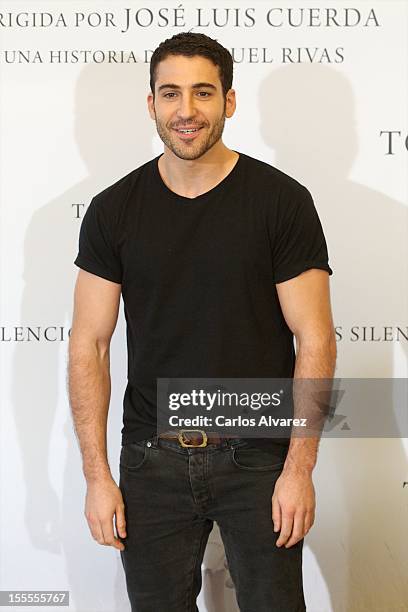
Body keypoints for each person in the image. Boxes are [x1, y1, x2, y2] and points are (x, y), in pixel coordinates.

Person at [68, 32, 336, 612]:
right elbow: (89, 344)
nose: (186, 111)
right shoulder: (114, 209)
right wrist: (96, 477)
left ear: (229, 102)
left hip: (259, 454)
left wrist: (299, 469)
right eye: (170, 94)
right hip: (150, 458)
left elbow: (314, 337)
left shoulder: (280, 201)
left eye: (203, 93)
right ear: (151, 104)